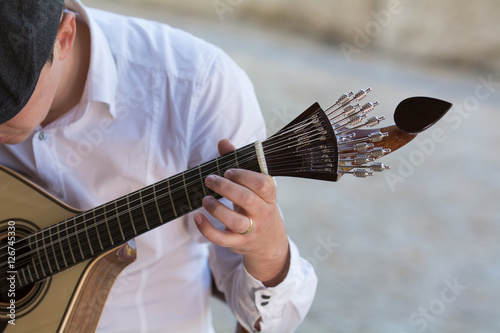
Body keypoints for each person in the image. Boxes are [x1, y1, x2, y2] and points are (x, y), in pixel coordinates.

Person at [0, 0, 317, 332]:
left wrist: (267, 250)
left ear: (64, 37)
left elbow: (266, 321)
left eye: (7, 105)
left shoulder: (199, 88)